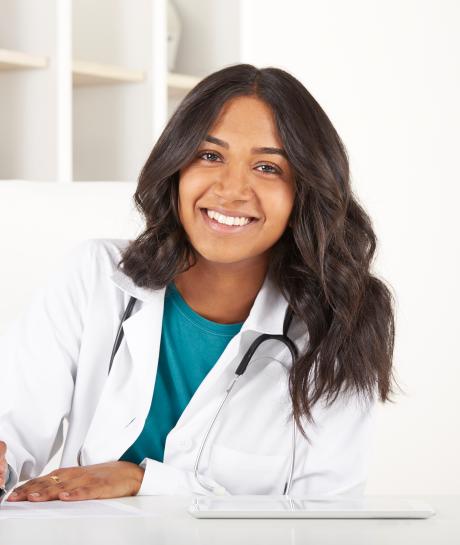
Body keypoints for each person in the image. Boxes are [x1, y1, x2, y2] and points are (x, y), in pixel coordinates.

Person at [0, 64, 398, 502]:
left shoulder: (339, 328)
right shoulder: (95, 276)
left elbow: (327, 519)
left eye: (267, 167)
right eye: (210, 156)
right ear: (176, 166)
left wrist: (142, 481)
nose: (231, 190)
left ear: (304, 192)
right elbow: (13, 426)